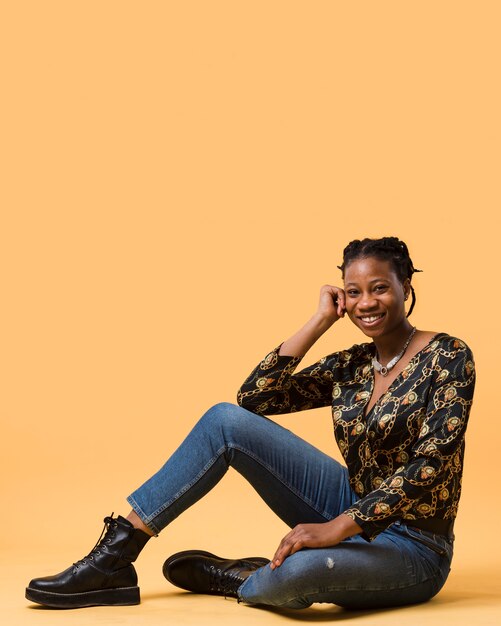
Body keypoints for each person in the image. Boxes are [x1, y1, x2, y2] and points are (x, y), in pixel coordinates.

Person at [25, 236, 476, 611]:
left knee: (295, 578)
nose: (366, 303)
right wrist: (319, 320)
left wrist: (337, 528)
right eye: (353, 292)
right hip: (347, 502)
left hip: (415, 545)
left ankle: (238, 577)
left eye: (379, 288)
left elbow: (429, 466)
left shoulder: (449, 356)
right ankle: (114, 558)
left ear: (406, 285)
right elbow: (255, 398)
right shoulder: (353, 364)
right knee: (225, 421)